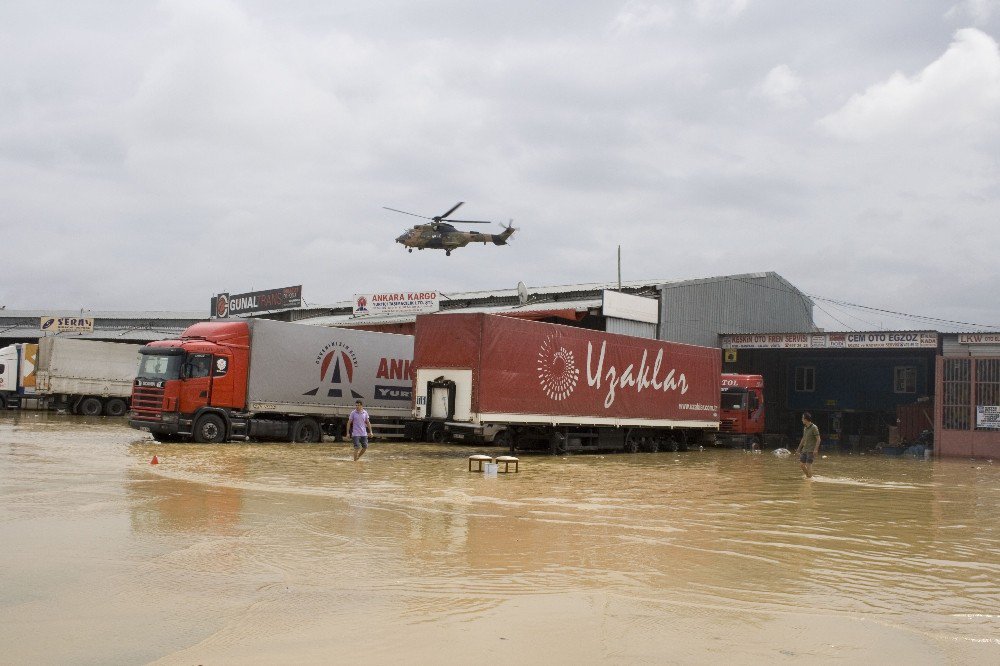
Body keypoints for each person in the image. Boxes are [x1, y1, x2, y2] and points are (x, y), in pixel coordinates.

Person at [796, 412, 821, 478]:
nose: (802, 420)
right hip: (805, 449)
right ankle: (809, 477)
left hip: (811, 450)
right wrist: (799, 448)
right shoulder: (805, 428)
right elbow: (803, 439)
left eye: (802, 418)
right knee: (801, 465)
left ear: (806, 419)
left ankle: (809, 480)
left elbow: (818, 439)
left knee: (808, 465)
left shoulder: (814, 427)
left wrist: (815, 449)